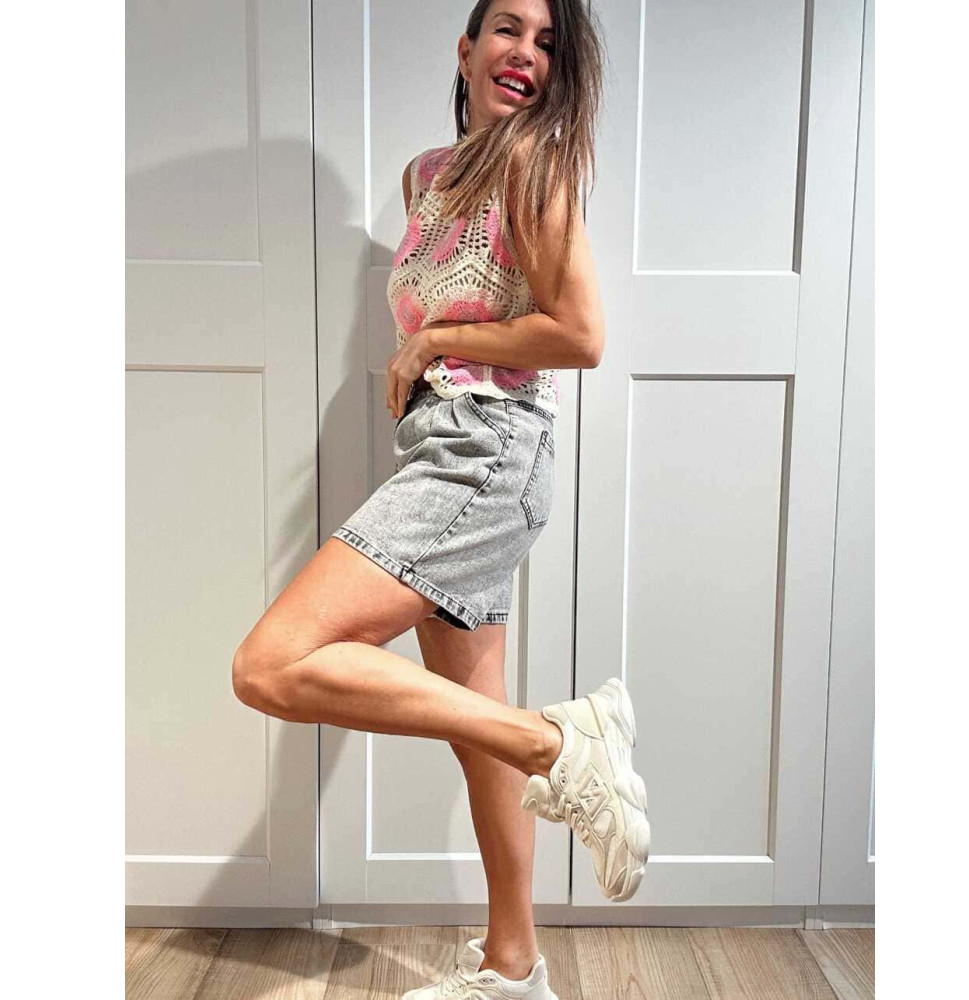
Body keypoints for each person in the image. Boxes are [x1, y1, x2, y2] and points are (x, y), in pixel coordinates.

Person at [232, 1, 649, 996]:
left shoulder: (534, 164)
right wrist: (428, 359)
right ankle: (514, 968)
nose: (526, 54)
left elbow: (580, 334)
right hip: (444, 449)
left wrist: (434, 342)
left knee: (271, 666)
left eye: (548, 43)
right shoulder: (428, 174)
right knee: (472, 724)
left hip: (485, 455)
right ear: (465, 50)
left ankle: (562, 744)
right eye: (508, 29)